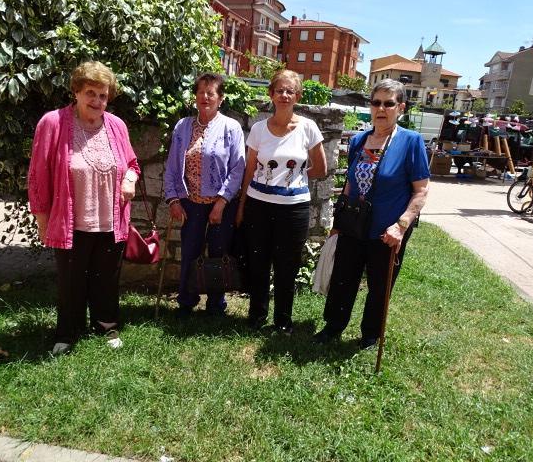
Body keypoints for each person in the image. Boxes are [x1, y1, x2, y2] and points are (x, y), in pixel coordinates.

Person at [28, 61, 140, 355]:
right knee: (71, 281)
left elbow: (132, 163)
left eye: (103, 95)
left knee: (107, 279)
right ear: (76, 91)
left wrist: (129, 179)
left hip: (110, 221)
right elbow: (38, 175)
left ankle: (106, 325)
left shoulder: (116, 126)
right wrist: (42, 220)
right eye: (91, 93)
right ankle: (67, 332)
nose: (97, 101)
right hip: (71, 222)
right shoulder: (53, 123)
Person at [314, 78, 430, 350]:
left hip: (387, 229)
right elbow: (350, 185)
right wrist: (338, 223)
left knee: (379, 284)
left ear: (400, 107)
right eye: (376, 102)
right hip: (354, 223)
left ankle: (370, 334)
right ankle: (333, 325)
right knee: (343, 277)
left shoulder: (410, 142)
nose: (381, 109)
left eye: (389, 104)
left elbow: (421, 190)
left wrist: (401, 226)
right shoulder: (359, 140)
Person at [236, 69, 327, 334]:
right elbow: (249, 170)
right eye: (280, 90)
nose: (284, 95)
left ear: (298, 96)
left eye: (290, 91)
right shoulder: (258, 129)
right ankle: (257, 316)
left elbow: (320, 168)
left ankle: (283, 321)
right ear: (271, 94)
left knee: (287, 266)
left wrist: (294, 178)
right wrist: (241, 206)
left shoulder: (308, 128)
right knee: (258, 262)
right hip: (258, 206)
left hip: (294, 209)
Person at [164, 73, 245, 316]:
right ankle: (186, 302)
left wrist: (221, 203)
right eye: (201, 92)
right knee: (190, 252)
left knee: (218, 254)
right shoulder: (183, 126)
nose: (205, 97)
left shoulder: (231, 127)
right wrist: (174, 199)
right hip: (190, 203)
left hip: (222, 204)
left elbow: (238, 168)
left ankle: (215, 305)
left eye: (211, 93)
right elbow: (172, 166)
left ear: (221, 98)